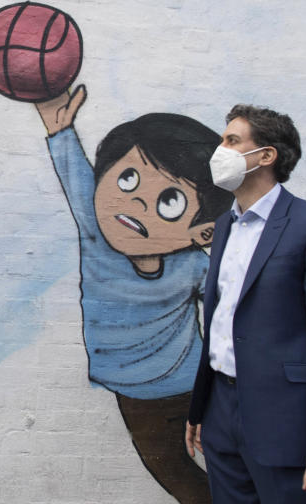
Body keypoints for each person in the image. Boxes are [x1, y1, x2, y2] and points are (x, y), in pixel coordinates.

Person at [36, 85, 231, 503]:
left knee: (238, 470)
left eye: (169, 202)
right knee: (182, 481)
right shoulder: (96, 229)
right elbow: (75, 178)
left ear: (202, 232)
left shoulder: (195, 264)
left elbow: (232, 308)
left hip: (198, 386)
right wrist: (60, 129)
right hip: (140, 397)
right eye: (127, 178)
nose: (137, 202)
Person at [185, 104, 306, 504]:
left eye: (232, 140)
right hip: (220, 414)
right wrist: (201, 410)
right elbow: (221, 321)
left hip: (284, 423)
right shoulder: (226, 223)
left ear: (266, 156)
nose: (220, 149)